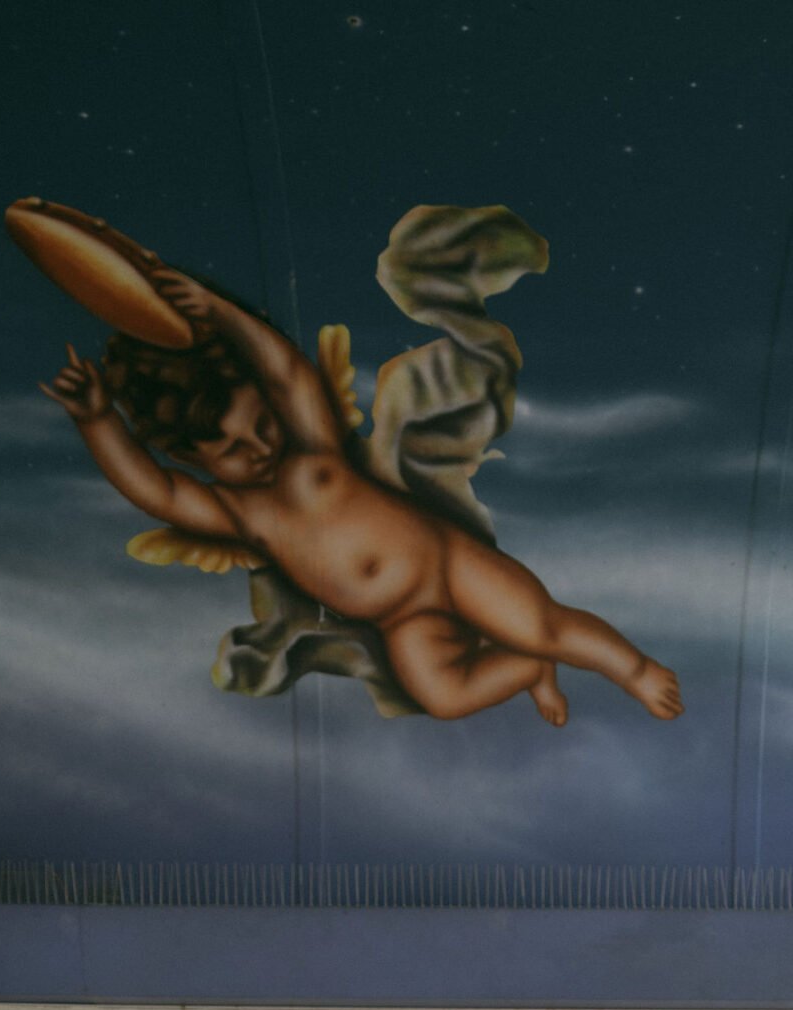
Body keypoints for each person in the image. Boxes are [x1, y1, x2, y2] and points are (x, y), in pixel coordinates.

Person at [41, 259, 684, 729]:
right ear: (191, 457)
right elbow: (152, 491)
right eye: (233, 451)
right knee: (445, 698)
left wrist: (220, 312)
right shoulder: (237, 512)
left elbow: (288, 375)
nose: (260, 448)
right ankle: (527, 667)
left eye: (260, 426)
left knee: (544, 623)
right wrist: (98, 421)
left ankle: (632, 669)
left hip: (449, 566)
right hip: (402, 619)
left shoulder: (312, 452)